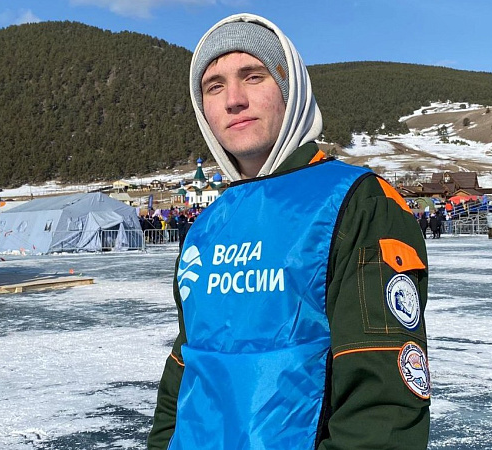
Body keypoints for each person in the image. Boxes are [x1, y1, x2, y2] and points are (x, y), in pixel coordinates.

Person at [148, 13, 430, 450]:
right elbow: (184, 371)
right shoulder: (207, 226)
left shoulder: (357, 203)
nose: (233, 100)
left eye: (253, 76)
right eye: (214, 86)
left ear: (290, 88)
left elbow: (380, 406)